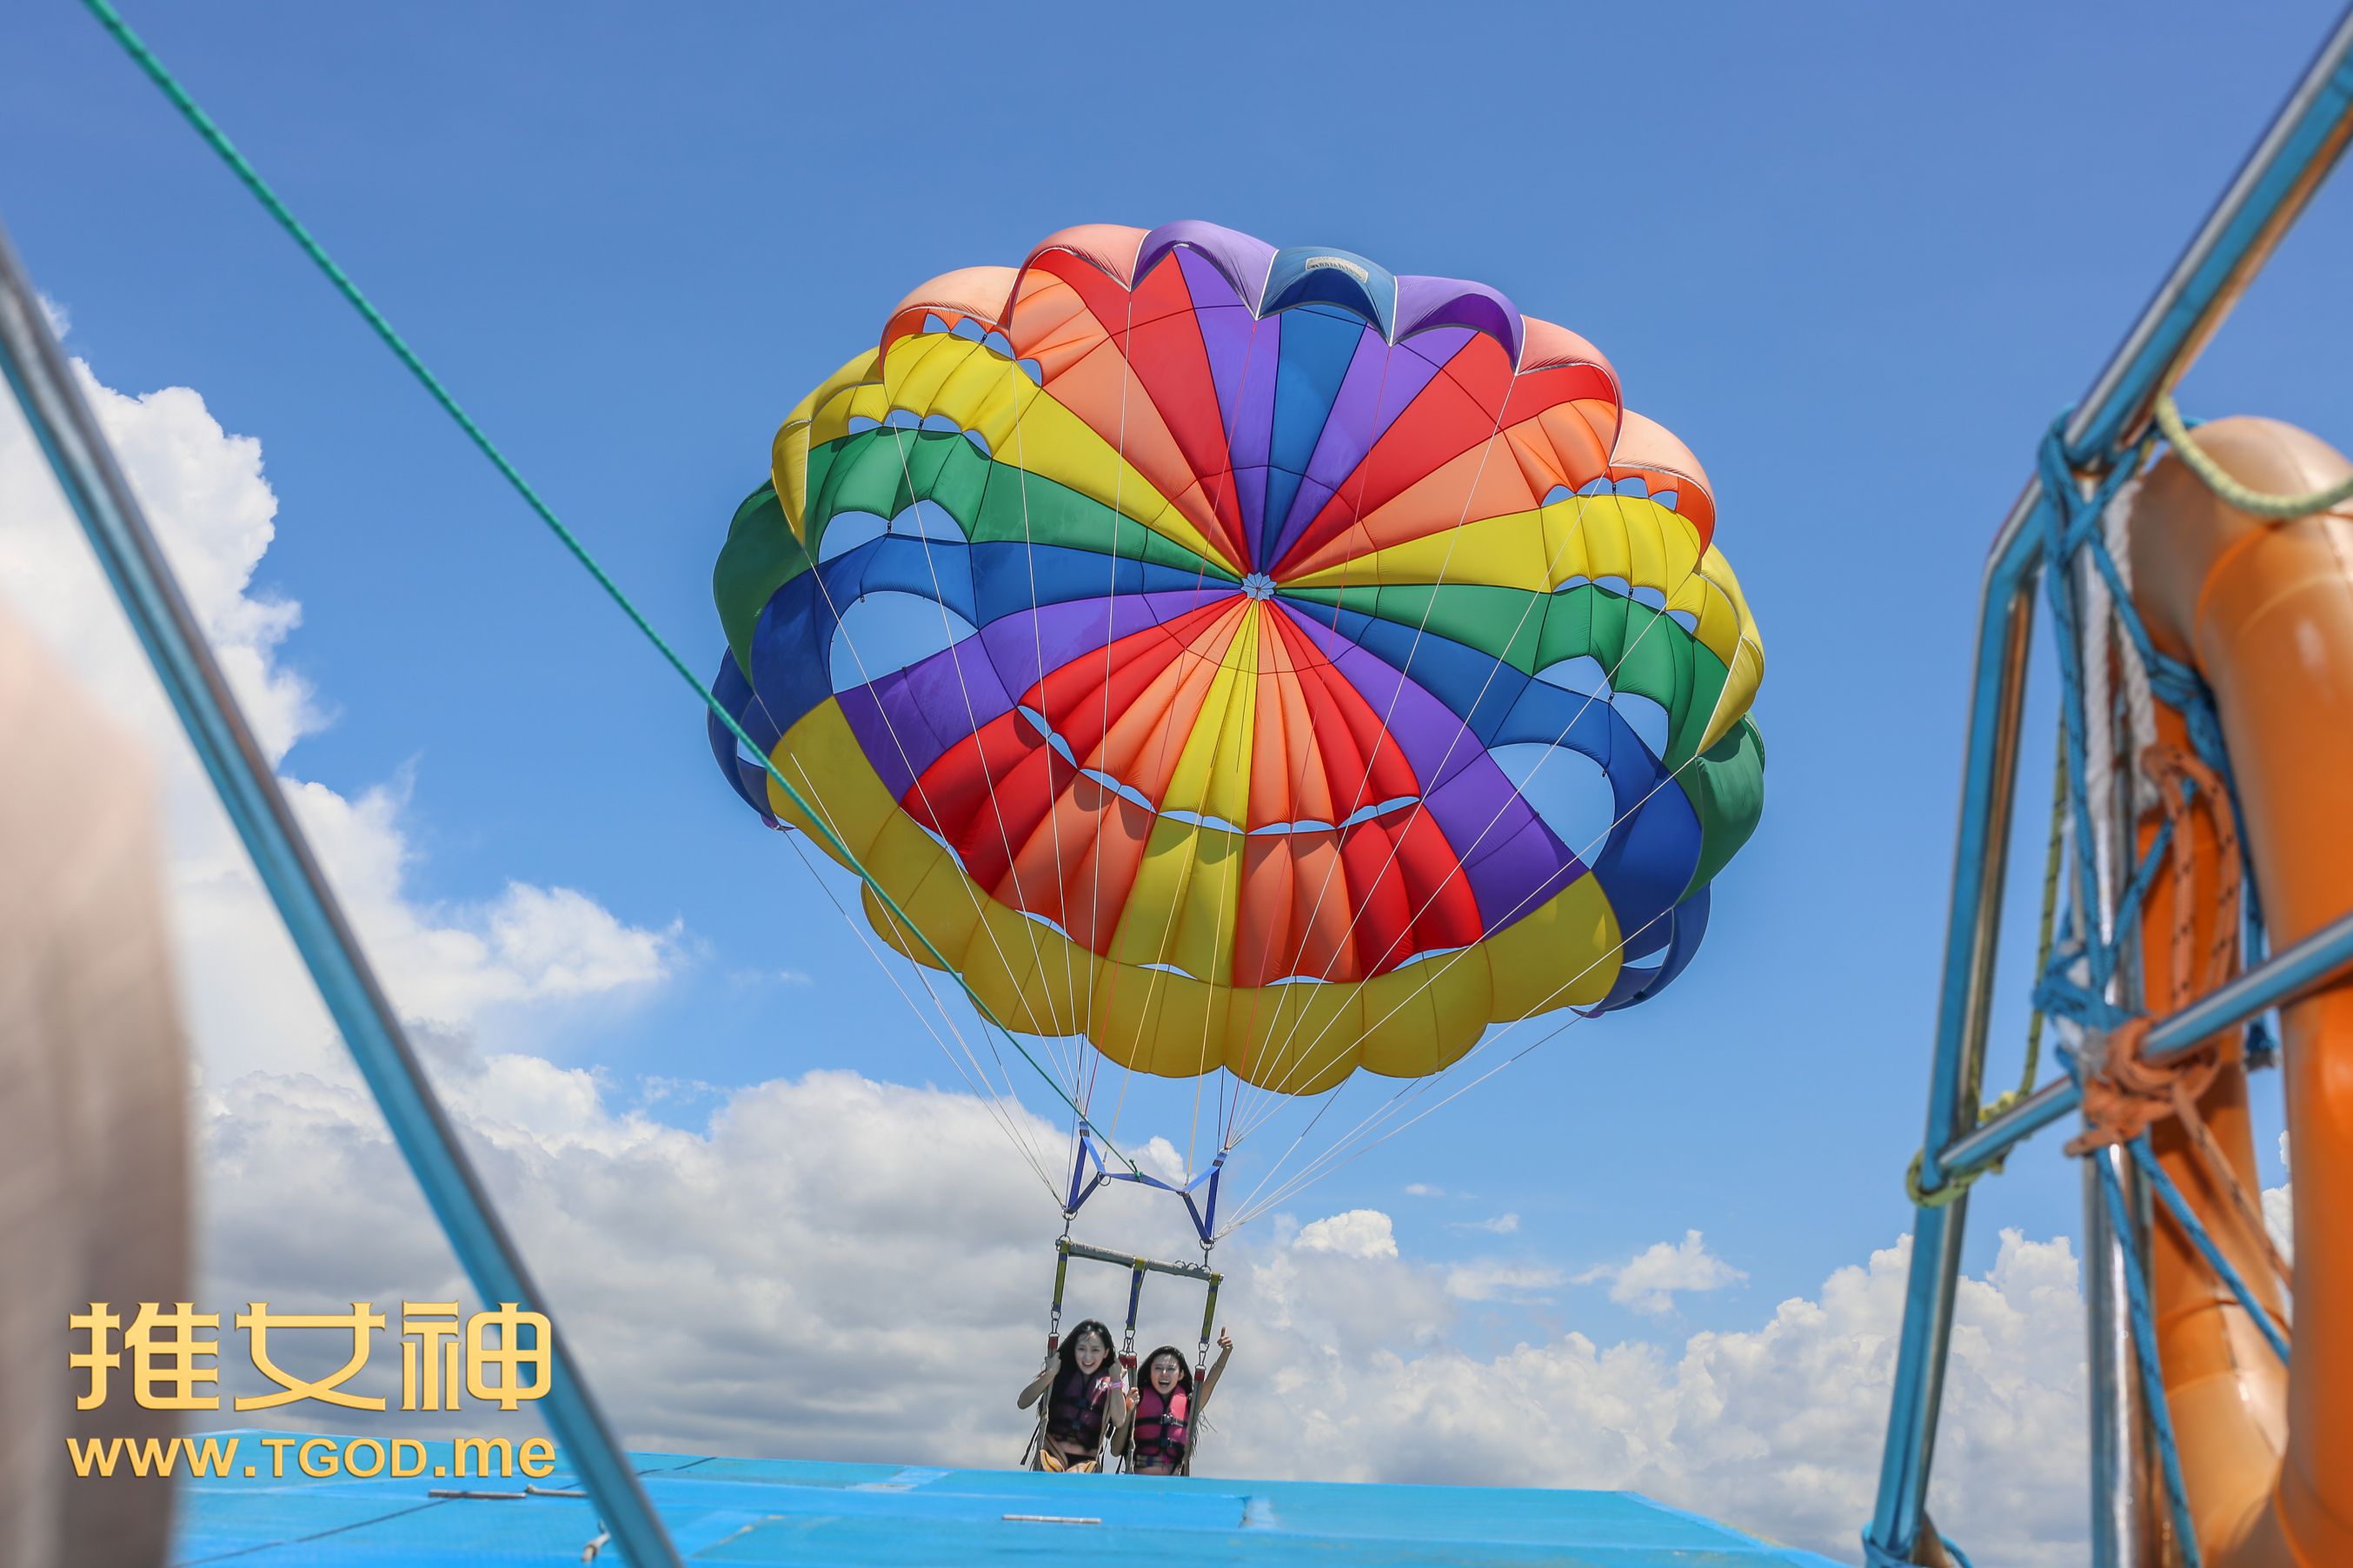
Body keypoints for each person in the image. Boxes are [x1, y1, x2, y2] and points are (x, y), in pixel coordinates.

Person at [1017, 1319, 1127, 1472]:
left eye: (1095, 1350)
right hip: (1051, 1458)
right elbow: (1023, 1402)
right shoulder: (1060, 1372)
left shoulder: (1111, 1382)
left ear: (1106, 1353)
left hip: (1087, 1465)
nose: (1087, 1357)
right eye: (1082, 1349)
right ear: (1074, 1349)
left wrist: (1116, 1381)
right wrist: (1050, 1374)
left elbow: (1119, 1420)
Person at [1121, 1328, 1231, 1476]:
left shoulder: (1189, 1405)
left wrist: (1225, 1353)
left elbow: (1209, 1384)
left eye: (1170, 1369)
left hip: (1173, 1483)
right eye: (1158, 1368)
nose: (1164, 1373)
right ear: (1150, 1372)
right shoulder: (1137, 1399)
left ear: (1180, 1375)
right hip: (1140, 1482)